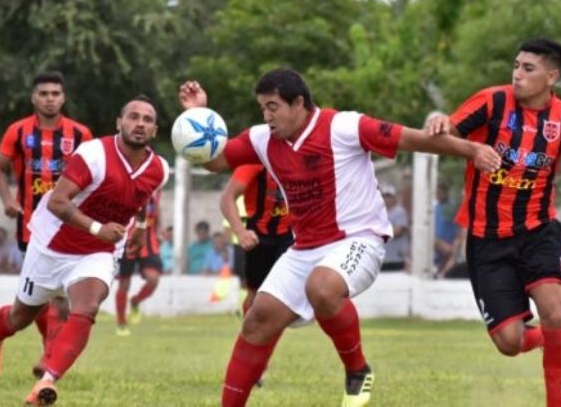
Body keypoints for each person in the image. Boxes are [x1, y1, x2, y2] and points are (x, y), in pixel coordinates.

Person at [178, 68, 500, 407]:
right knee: (257, 319)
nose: (266, 115)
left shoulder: (344, 127)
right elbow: (216, 162)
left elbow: (413, 139)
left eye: (273, 106)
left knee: (322, 287)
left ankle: (357, 369)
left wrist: (472, 150)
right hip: (304, 248)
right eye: (262, 108)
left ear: (298, 102)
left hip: (360, 240)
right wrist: (196, 115)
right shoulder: (262, 139)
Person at [426, 38, 561, 407]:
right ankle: (551, 337)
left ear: (552, 76)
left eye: (528, 69)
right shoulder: (491, 101)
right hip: (487, 240)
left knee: (554, 310)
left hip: (538, 232)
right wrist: (444, 126)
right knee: (509, 343)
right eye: (516, 66)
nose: (517, 74)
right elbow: (442, 136)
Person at [0, 95, 169, 406]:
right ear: (119, 123)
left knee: (87, 307)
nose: (140, 124)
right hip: (51, 244)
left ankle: (46, 382)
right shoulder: (94, 154)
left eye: (147, 120)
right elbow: (56, 201)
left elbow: (146, 199)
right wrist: (97, 227)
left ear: (155, 130)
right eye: (133, 116)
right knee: (19, 318)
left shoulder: (159, 168)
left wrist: (143, 229)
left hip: (99, 251)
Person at [0, 71, 94, 376]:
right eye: (44, 93)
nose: (50, 99)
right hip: (30, 226)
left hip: (68, 224)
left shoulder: (80, 135)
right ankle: (43, 348)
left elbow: (93, 175)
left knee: (61, 295)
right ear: (34, 98)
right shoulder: (18, 131)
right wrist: (8, 199)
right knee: (39, 296)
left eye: (55, 93)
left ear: (63, 98)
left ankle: (49, 357)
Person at [220, 163, 294, 315]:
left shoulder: (301, 157)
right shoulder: (254, 159)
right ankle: (248, 333)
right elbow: (227, 198)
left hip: (290, 236)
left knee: (281, 295)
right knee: (254, 293)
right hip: (258, 237)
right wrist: (241, 232)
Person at [114, 191, 164, 337]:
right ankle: (121, 323)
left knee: (153, 279)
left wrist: (159, 229)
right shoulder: (127, 182)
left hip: (149, 240)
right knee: (124, 283)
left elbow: (156, 207)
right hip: (127, 238)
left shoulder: (156, 185)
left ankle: (136, 301)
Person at [433, 182, 460, 278]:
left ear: (446, 192)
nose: (438, 194)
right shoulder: (435, 207)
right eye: (437, 192)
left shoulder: (453, 206)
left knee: (449, 254)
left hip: (449, 243)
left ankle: (441, 273)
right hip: (437, 242)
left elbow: (459, 225)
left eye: (440, 192)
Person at [380, 184, 410, 272]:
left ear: (394, 198)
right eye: (384, 196)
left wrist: (378, 232)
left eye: (389, 196)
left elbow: (397, 231)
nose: (386, 199)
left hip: (397, 258)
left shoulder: (399, 211)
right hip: (382, 259)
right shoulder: (379, 213)